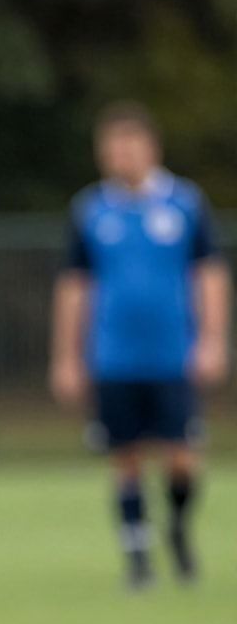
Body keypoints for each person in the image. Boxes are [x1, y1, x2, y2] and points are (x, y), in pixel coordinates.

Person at [51, 102, 230, 589]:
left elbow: (209, 274)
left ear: (152, 148)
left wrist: (213, 340)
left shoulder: (185, 204)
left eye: (130, 145)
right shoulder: (92, 210)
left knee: (182, 456)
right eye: (112, 147)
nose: (122, 156)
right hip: (113, 355)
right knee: (124, 455)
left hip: (173, 353)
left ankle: (177, 526)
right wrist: (67, 355)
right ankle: (137, 556)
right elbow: (75, 285)